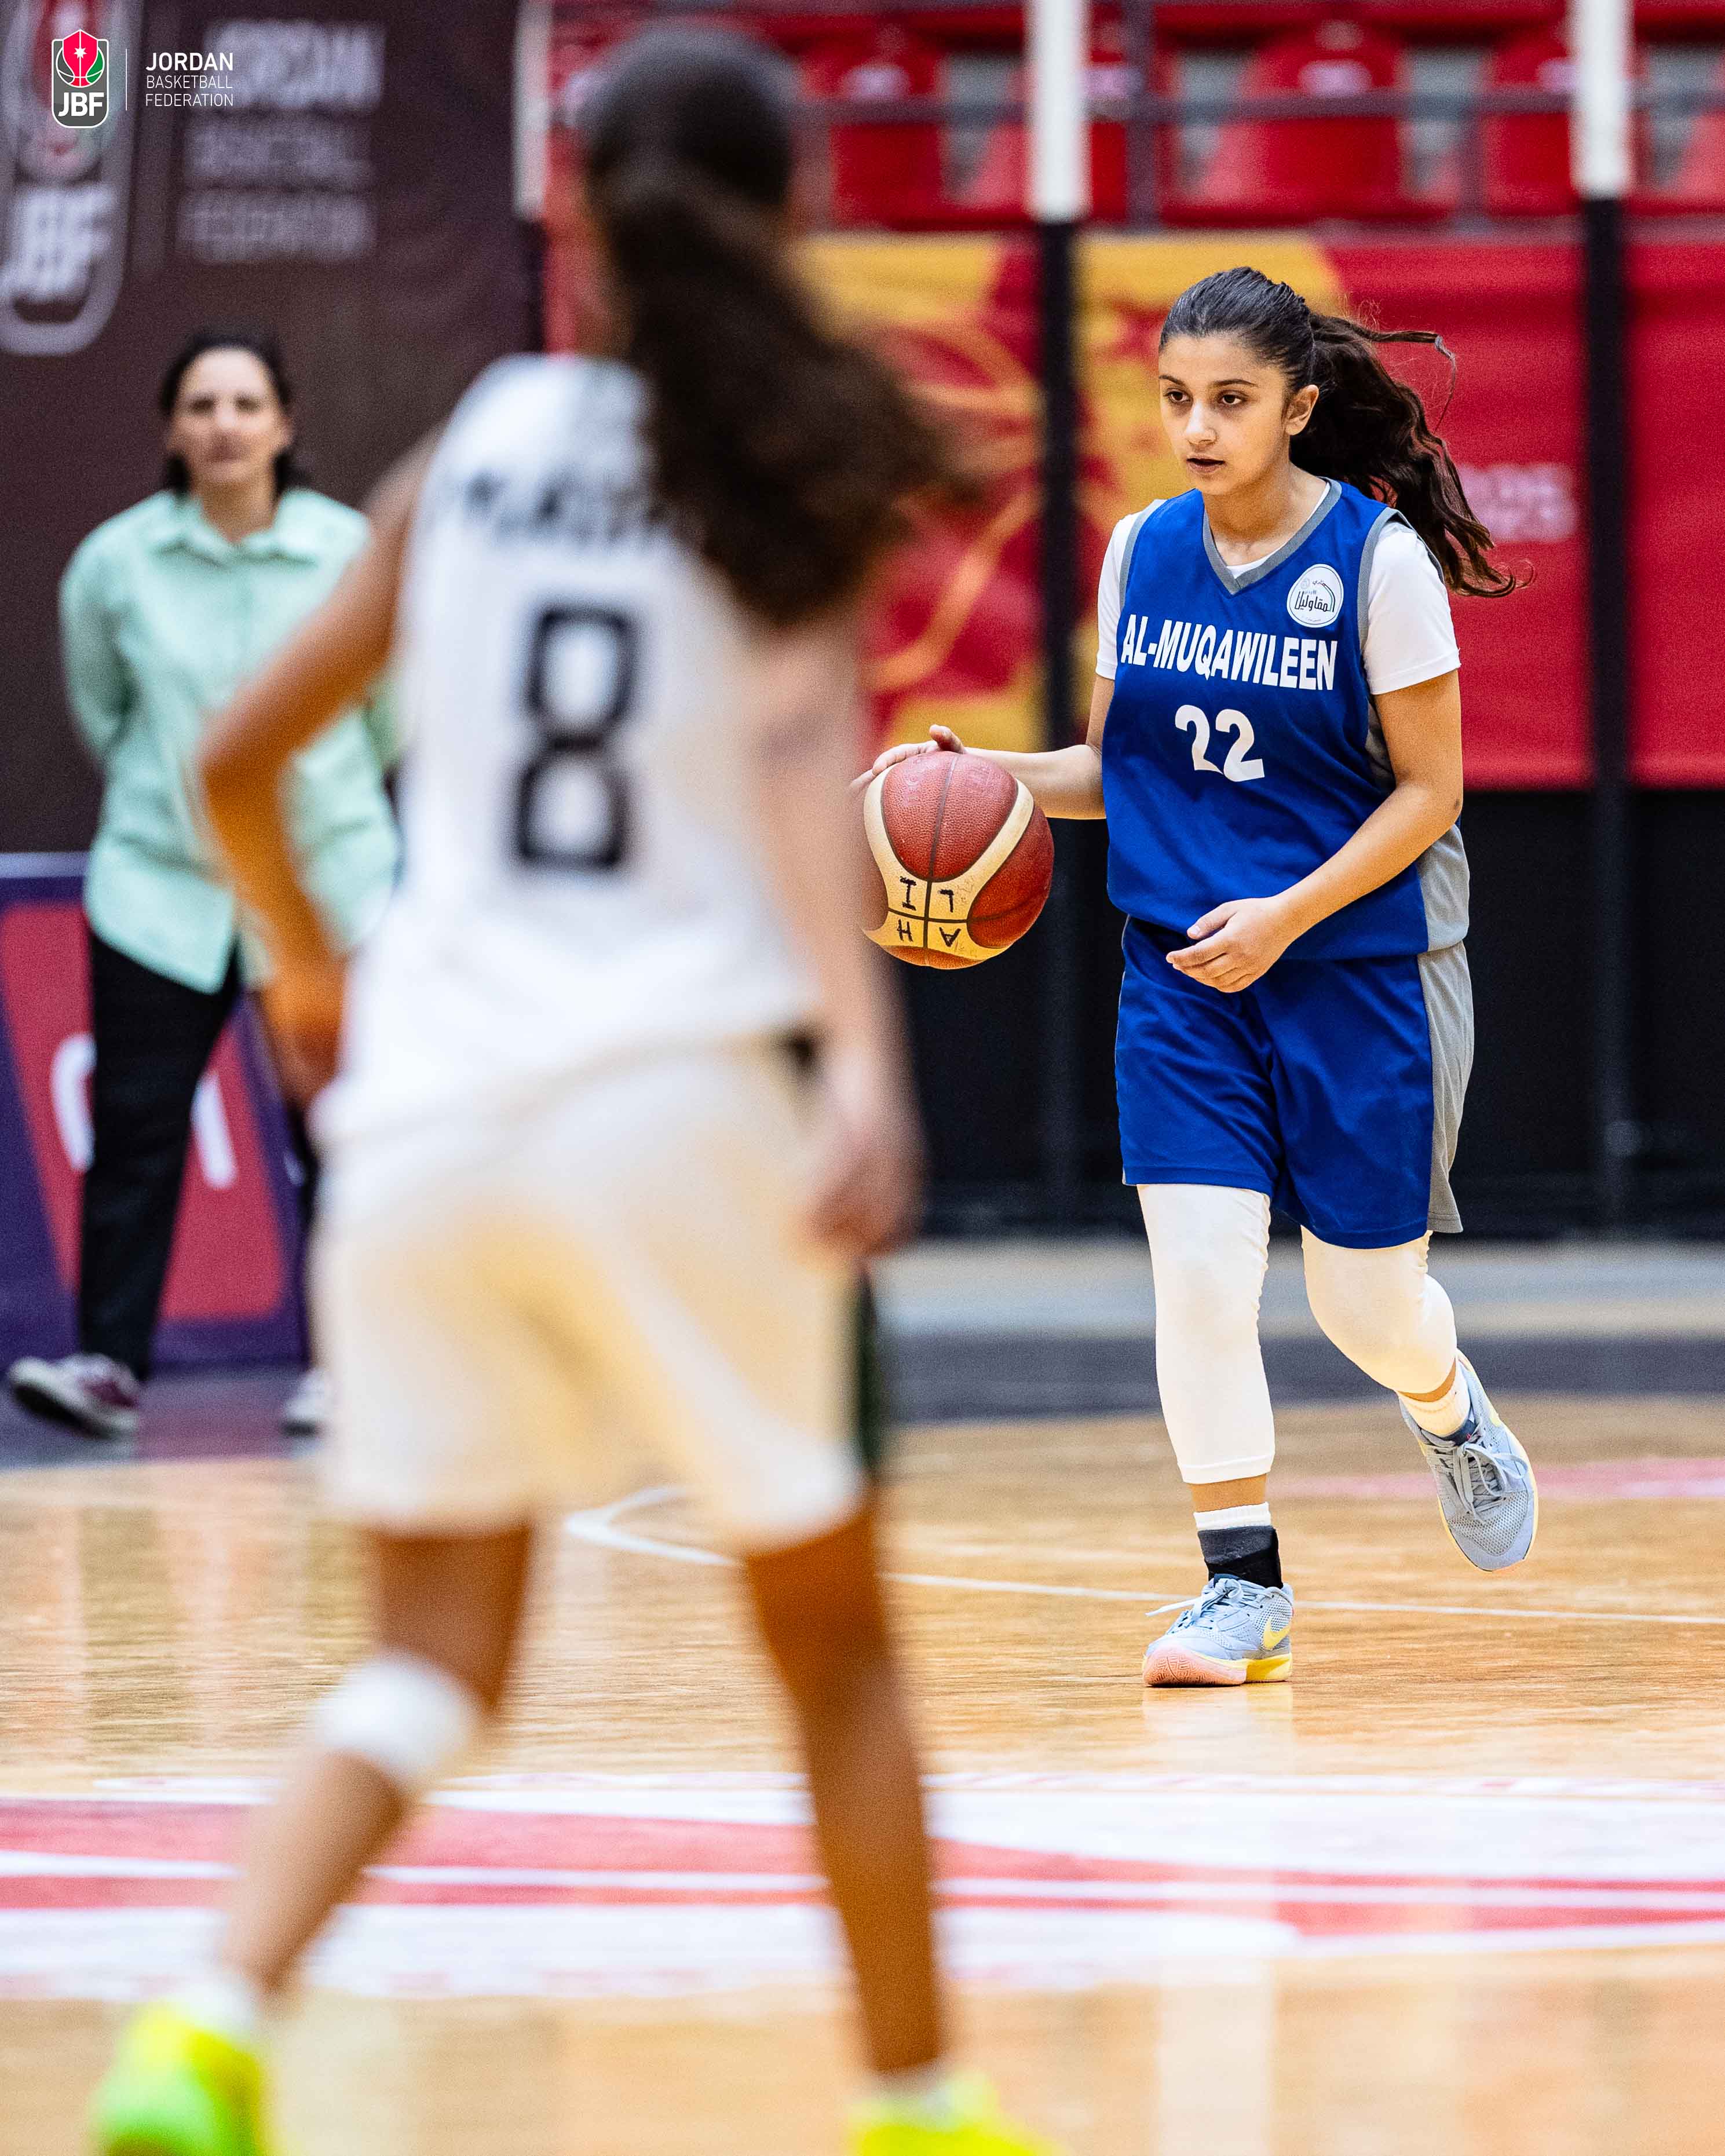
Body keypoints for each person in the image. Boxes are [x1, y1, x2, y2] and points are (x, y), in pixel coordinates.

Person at [88, 31, 1054, 2156]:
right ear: (793, 215)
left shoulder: (472, 450)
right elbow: (801, 775)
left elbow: (237, 760)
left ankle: (203, 2029)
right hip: (678, 1101)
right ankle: (921, 2108)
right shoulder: (777, 467)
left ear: (579, 218)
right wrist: (864, 1069)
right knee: (834, 1656)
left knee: (428, 1659)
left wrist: (312, 970)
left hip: (427, 1121)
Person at [869, 265, 1536, 1688]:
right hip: (1182, 974)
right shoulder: (1143, 550)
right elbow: (1116, 770)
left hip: (1360, 966)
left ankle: (1446, 1403)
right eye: (1175, 398)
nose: (1195, 427)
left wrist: (1285, 915)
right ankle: (1241, 1586)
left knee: (1366, 1311)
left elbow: (1429, 793)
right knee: (1198, 1278)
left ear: (1297, 407)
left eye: (1229, 400)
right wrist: (983, 778)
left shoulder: (1377, 565)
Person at [6, 327, 399, 1443]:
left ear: (285, 424)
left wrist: (309, 812)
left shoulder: (349, 553)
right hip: (159, 894)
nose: (225, 426)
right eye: (202, 406)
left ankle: (348, 1368)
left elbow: (388, 715)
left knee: (345, 1132)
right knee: (135, 1130)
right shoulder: (116, 563)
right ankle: (107, 1367)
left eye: (246, 405)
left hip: (325, 890)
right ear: (172, 431)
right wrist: (180, 801)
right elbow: (104, 711)